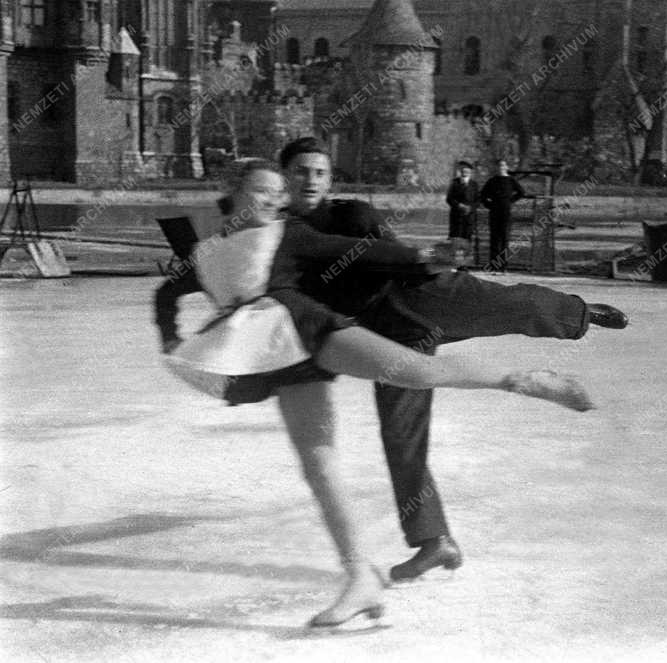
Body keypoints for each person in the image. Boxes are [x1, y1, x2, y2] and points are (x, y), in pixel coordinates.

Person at [153, 161, 595, 629]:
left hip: (310, 328)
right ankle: (360, 577)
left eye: (278, 193)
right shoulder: (207, 252)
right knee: (318, 464)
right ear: (233, 191)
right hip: (270, 357)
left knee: (417, 373)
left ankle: (522, 378)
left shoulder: (288, 234)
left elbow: (357, 251)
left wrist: (425, 257)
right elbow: (167, 292)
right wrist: (169, 338)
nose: (273, 200)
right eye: (263, 191)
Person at [277, 137, 628, 584]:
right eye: (301, 171)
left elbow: (395, 255)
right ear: (285, 176)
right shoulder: (281, 234)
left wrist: (431, 263)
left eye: (319, 172)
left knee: (508, 305)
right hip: (384, 338)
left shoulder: (351, 215)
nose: (310, 180)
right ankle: (434, 541)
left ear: (330, 179)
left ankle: (582, 313)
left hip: (422, 298)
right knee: (401, 434)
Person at [480, 158, 525, 271]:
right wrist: (489, 205)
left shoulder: (511, 180)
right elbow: (482, 195)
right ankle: (494, 266)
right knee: (494, 239)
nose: (501, 167)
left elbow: (521, 192)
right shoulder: (492, 180)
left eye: (503, 165)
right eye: (499, 166)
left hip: (505, 212)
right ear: (497, 168)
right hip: (494, 212)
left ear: (506, 167)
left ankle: (503, 266)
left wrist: (509, 202)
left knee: (504, 238)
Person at [445, 161, 480, 261]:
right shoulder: (454, 182)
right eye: (463, 169)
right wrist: (459, 205)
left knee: (467, 239)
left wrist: (470, 208)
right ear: (461, 170)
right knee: (457, 239)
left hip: (469, 217)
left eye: (468, 169)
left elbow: (478, 200)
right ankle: (458, 262)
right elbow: (449, 199)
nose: (465, 171)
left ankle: (464, 263)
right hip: (457, 217)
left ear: (470, 171)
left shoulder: (474, 184)